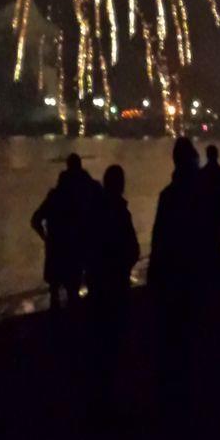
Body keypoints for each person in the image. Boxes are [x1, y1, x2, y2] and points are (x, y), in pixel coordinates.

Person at [149, 137, 206, 417]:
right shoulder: (203, 193)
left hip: (175, 273)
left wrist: (154, 275)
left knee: (177, 334)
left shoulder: (169, 196)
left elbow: (159, 240)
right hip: (199, 271)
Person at [87, 164, 140, 418]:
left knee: (99, 339)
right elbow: (133, 249)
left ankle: (99, 395)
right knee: (115, 339)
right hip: (117, 284)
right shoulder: (120, 213)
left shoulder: (94, 213)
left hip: (99, 284)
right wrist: (123, 267)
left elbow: (87, 245)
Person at [31, 153, 99, 311]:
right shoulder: (90, 191)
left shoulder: (56, 195)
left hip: (56, 250)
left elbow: (35, 220)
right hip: (78, 251)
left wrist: (46, 238)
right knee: (74, 294)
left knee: (55, 296)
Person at [199, 144, 220, 276]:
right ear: (217, 155)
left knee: (207, 246)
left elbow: (199, 198)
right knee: (217, 246)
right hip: (218, 215)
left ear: (207, 155)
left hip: (206, 217)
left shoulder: (202, 174)